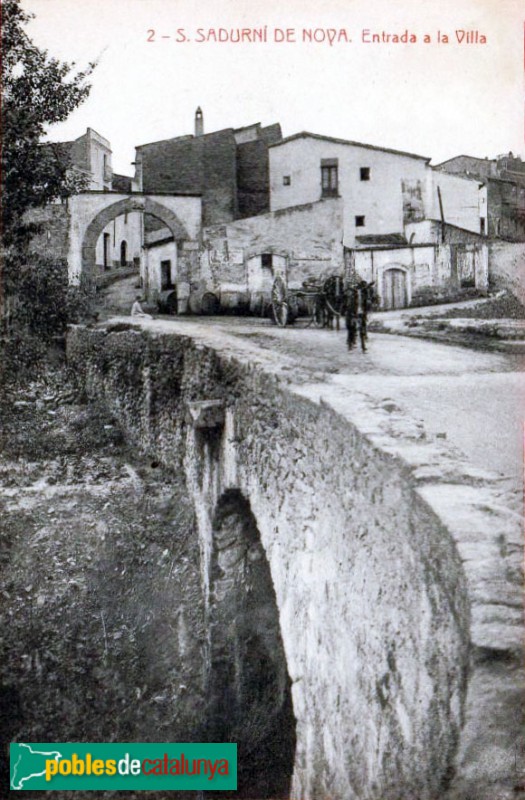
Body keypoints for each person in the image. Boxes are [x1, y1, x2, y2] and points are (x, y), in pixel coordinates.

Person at [345, 280, 374, 352]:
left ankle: (363, 347)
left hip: (361, 313)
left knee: (362, 329)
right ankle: (350, 344)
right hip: (352, 313)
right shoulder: (353, 294)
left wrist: (366, 310)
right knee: (351, 329)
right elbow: (349, 304)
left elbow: (367, 303)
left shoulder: (365, 294)